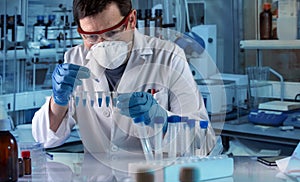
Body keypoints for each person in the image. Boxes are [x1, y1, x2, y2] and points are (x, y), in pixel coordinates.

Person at [32, 0, 216, 155]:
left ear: (132, 20)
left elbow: (204, 142)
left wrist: (162, 120)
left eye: (111, 33)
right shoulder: (75, 59)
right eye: (91, 37)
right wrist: (58, 102)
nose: (101, 45)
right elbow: (44, 140)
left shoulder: (168, 56)